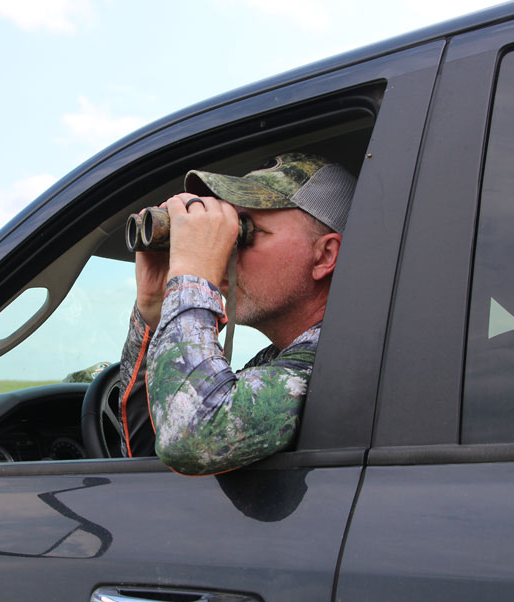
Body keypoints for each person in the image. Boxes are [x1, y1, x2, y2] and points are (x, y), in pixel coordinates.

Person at [117, 152, 356, 475]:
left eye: (244, 231)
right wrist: (156, 312)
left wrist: (192, 278)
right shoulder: (277, 361)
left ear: (324, 255)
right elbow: (154, 457)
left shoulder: (336, 362)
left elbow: (190, 440)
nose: (225, 249)